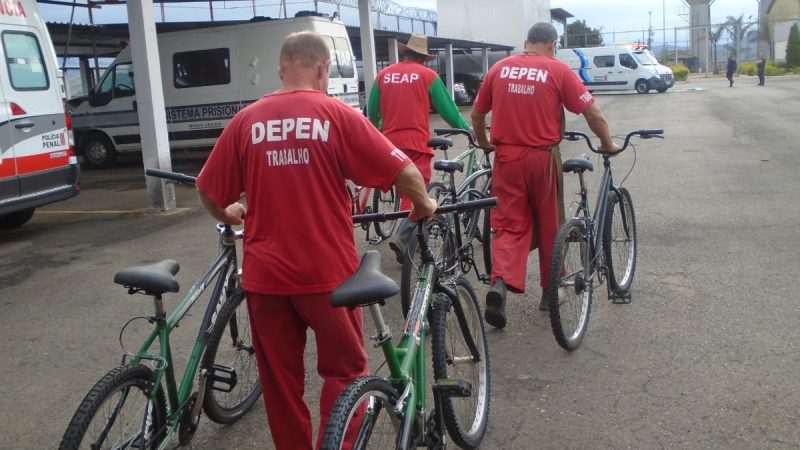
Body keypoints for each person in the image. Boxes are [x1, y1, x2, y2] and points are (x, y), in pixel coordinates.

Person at [195, 31, 437, 449]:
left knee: (281, 387)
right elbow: (406, 173)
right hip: (330, 278)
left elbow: (208, 189)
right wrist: (423, 205)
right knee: (345, 373)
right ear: (324, 69)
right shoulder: (335, 115)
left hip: (266, 279)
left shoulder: (246, 120)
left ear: (281, 68)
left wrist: (228, 212)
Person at [471, 22, 620, 329]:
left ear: (527, 42)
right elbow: (592, 113)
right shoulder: (557, 70)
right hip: (542, 157)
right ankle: (551, 289)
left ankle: (500, 282)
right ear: (552, 43)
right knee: (550, 222)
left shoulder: (500, 68)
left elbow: (476, 114)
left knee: (508, 225)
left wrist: (484, 142)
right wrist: (608, 143)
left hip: (507, 158)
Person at [367, 33, 471, 263]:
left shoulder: (383, 76)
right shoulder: (428, 75)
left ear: (405, 52)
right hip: (416, 145)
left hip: (388, 145)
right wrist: (466, 129)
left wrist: (374, 135)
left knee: (403, 191)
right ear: (425, 57)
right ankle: (404, 238)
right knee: (415, 193)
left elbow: (371, 113)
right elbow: (449, 110)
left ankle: (408, 237)